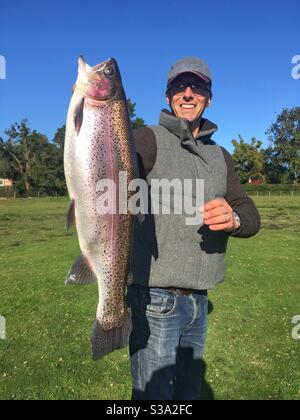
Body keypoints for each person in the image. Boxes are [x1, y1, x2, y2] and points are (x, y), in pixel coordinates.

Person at [126, 57, 261, 400]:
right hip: (155, 299)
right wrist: (92, 110)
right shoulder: (146, 139)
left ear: (209, 97)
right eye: (179, 87)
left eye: (197, 87)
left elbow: (249, 213)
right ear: (168, 95)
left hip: (198, 303)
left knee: (188, 396)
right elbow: (110, 162)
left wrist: (235, 219)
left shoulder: (220, 155)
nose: (188, 94)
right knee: (153, 399)